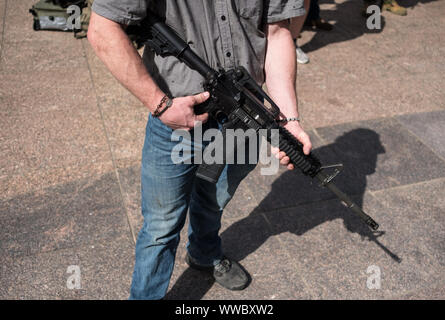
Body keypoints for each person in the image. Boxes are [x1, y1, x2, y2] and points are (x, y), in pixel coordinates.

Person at [88, 0, 312, 300]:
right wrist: (160, 105)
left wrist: (289, 120)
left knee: (215, 198)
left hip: (243, 118)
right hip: (177, 122)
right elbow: (102, 28)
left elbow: (277, 33)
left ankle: (204, 253)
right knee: (161, 225)